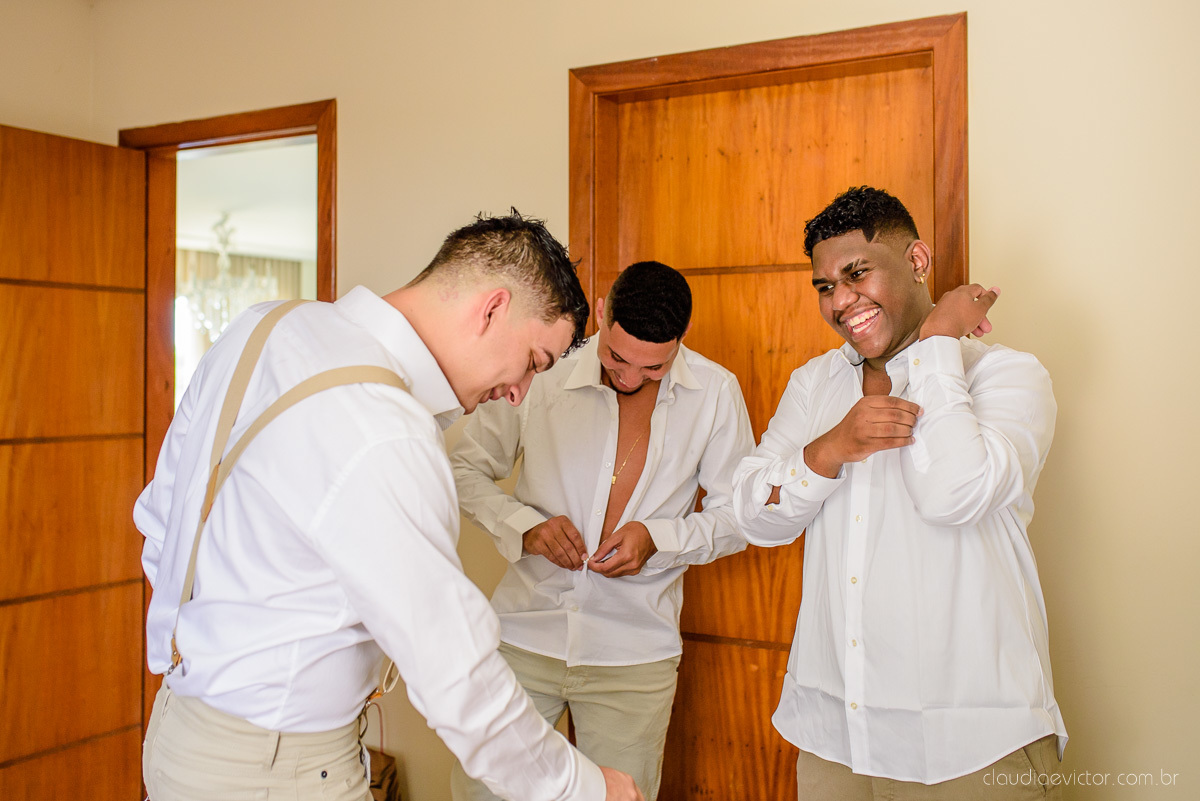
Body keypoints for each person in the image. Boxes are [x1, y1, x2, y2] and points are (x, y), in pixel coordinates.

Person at [136, 211, 644, 801]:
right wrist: (586, 787)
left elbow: (162, 516)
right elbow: (456, 675)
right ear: (491, 309)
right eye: (534, 362)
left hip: (181, 730)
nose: (519, 393)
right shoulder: (386, 429)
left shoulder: (266, 326)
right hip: (277, 771)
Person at [732, 187, 1067, 799]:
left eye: (856, 274)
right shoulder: (814, 384)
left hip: (972, 748)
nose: (840, 301)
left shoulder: (1007, 376)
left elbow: (953, 493)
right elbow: (753, 513)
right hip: (836, 740)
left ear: (917, 261)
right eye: (825, 286)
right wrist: (829, 450)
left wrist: (938, 343)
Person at [448, 260, 754, 801]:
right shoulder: (543, 372)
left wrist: (661, 540)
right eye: (616, 357)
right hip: (521, 639)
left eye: (653, 368)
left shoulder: (715, 394)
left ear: (681, 341)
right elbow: (462, 468)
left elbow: (738, 518)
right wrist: (524, 527)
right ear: (605, 313)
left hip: (634, 656)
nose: (630, 377)